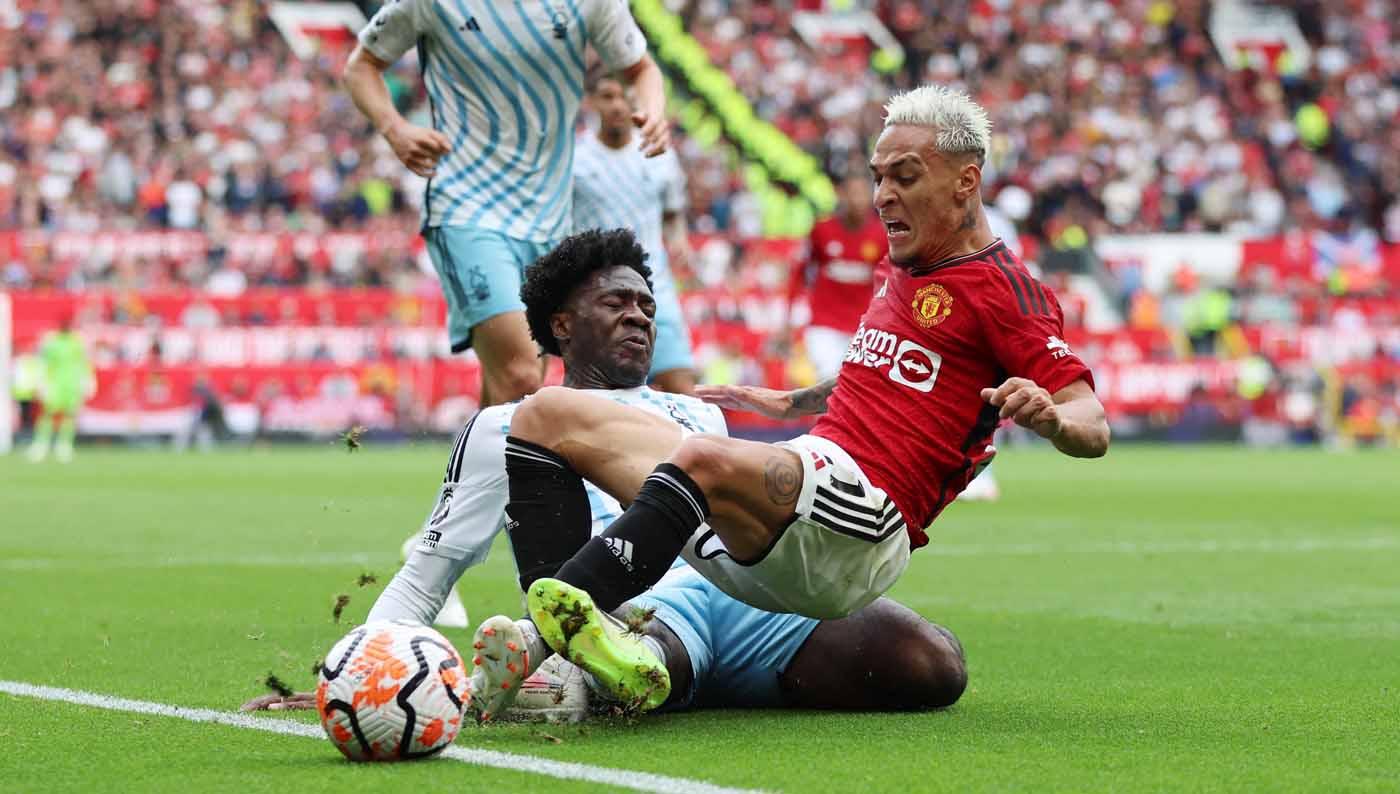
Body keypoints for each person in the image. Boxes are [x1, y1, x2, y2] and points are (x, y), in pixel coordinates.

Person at [491, 85, 1110, 710]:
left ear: (965, 181)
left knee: (701, 457)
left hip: (864, 523)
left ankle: (536, 644)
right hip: (804, 499)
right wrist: (794, 403)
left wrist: (1056, 420)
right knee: (546, 416)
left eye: (904, 176)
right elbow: (888, 372)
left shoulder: (1005, 291)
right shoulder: (905, 265)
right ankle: (576, 667)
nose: (883, 195)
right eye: (878, 177)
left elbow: (1092, 421)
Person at [240, 229, 965, 719]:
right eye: (616, 303)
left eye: (647, 306)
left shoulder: (698, 415)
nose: (639, 317)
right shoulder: (506, 425)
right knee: (644, 639)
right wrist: (358, 673)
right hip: (626, 606)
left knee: (933, 665)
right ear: (561, 324)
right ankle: (607, 668)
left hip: (743, 600)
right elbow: (429, 574)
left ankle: (642, 683)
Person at [342, 0, 668, 407]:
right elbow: (361, 66)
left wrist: (654, 110)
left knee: (518, 380)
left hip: (549, 218)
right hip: (465, 204)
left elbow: (640, 69)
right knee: (519, 373)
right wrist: (395, 129)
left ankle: (472, 453)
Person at [572, 64, 696, 394]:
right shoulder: (575, 159)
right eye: (607, 96)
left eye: (625, 97)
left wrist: (679, 240)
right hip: (598, 294)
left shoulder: (659, 154)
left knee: (682, 387)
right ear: (590, 101)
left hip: (655, 288)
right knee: (602, 394)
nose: (617, 106)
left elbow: (672, 214)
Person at [789, 171, 889, 380]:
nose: (857, 200)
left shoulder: (882, 235)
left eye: (862, 194)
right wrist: (790, 312)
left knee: (856, 385)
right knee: (828, 379)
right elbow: (800, 271)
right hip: (824, 324)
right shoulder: (822, 230)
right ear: (841, 194)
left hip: (863, 326)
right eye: (852, 193)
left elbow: (890, 281)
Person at [27, 314, 94, 464]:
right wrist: (41, 382)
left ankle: (64, 445)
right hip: (54, 384)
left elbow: (84, 363)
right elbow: (43, 363)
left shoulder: (78, 343)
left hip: (72, 384)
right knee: (48, 414)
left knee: (69, 415)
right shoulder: (51, 343)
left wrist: (88, 380)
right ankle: (41, 444)